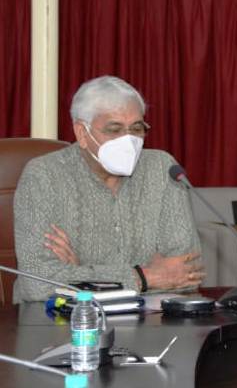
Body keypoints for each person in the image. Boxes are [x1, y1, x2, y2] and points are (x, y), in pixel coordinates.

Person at [13, 76, 204, 303]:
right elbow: (36, 284)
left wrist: (82, 275)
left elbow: (187, 274)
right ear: (82, 133)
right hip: (60, 318)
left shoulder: (162, 168)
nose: (129, 140)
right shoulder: (43, 175)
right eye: (114, 129)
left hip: (149, 315)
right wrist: (144, 278)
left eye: (137, 128)